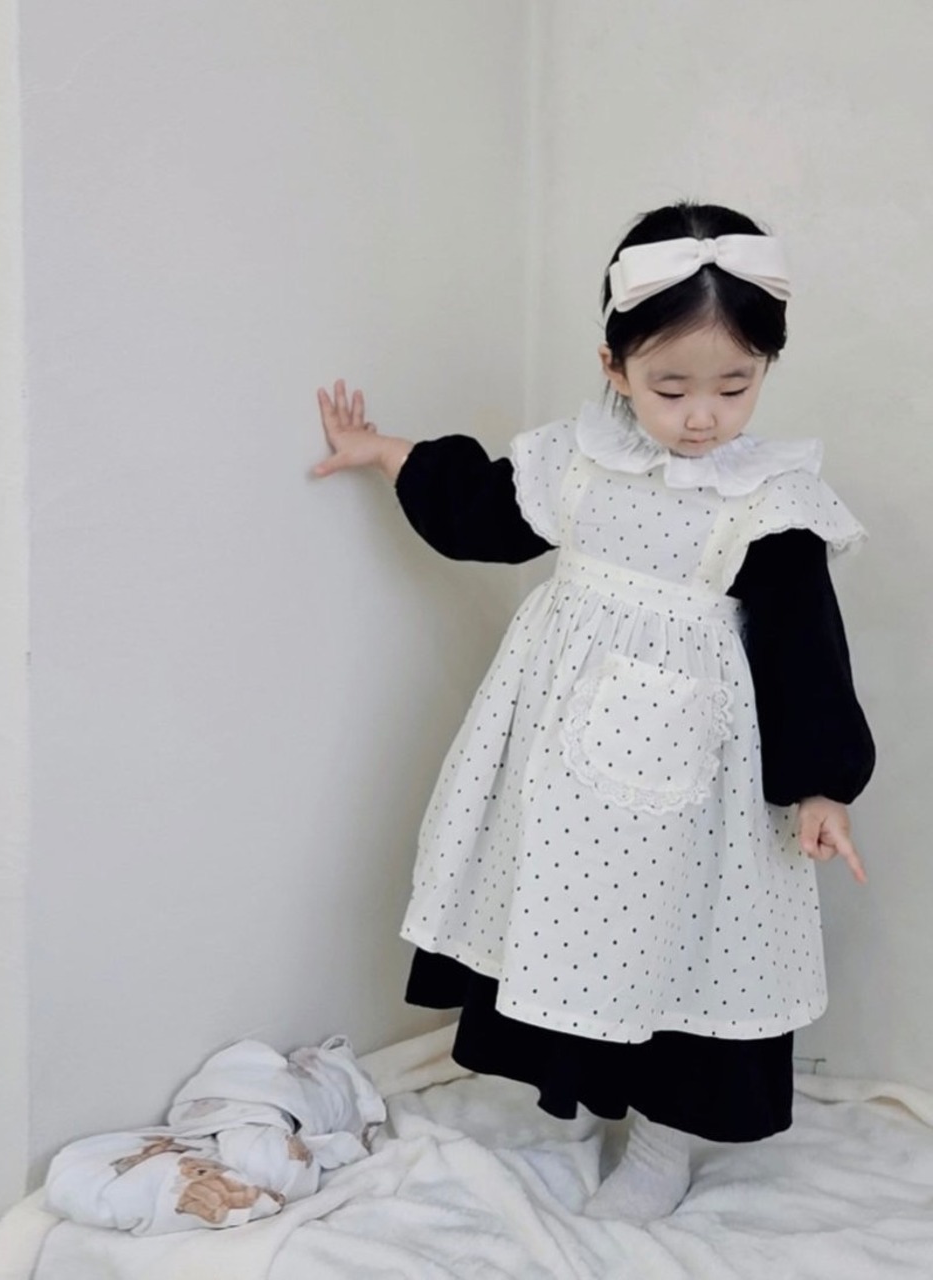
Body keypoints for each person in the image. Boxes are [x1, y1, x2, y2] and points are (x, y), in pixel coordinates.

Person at [311, 200, 876, 1223]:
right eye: (671, 387)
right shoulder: (574, 462)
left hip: (698, 779)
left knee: (680, 944)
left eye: (733, 386)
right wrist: (383, 449)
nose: (701, 416)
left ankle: (661, 1142)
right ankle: (571, 1094)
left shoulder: (768, 498)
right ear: (614, 365)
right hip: (559, 761)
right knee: (562, 918)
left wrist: (822, 784)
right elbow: (479, 512)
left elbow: (804, 645)